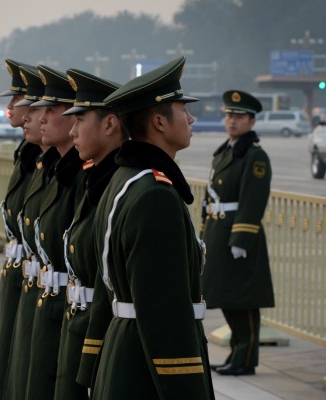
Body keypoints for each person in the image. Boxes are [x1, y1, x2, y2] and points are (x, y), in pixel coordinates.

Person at [91, 56, 214, 399]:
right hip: (145, 370)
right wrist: (186, 387)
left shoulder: (125, 179)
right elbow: (164, 312)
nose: (190, 118)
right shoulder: (155, 196)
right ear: (159, 121)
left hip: (125, 349)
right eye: (182, 110)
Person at [55, 68, 125, 399]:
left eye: (79, 120)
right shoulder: (98, 181)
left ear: (110, 124)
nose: (72, 131)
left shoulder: (120, 187)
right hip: (79, 319)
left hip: (103, 330)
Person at [200, 90, 275, 376]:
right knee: (227, 297)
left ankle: (246, 359)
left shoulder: (255, 157)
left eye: (239, 116)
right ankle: (236, 354)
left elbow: (253, 201)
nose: (232, 121)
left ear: (252, 121)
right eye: (229, 115)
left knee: (244, 301)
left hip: (238, 237)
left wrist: (241, 239)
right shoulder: (225, 152)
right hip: (219, 235)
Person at [21, 64, 84, 400]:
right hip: (47, 293)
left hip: (67, 303)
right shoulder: (51, 168)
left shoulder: (82, 178)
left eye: (49, 110)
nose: (39, 118)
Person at [0, 59, 42, 400]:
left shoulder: (45, 160)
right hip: (21, 272)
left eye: (16, 101)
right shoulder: (28, 153)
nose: (9, 109)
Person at [4, 64, 61, 400]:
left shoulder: (67, 173)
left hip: (57, 297)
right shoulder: (33, 160)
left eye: (42, 109)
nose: (22, 113)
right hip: (33, 283)